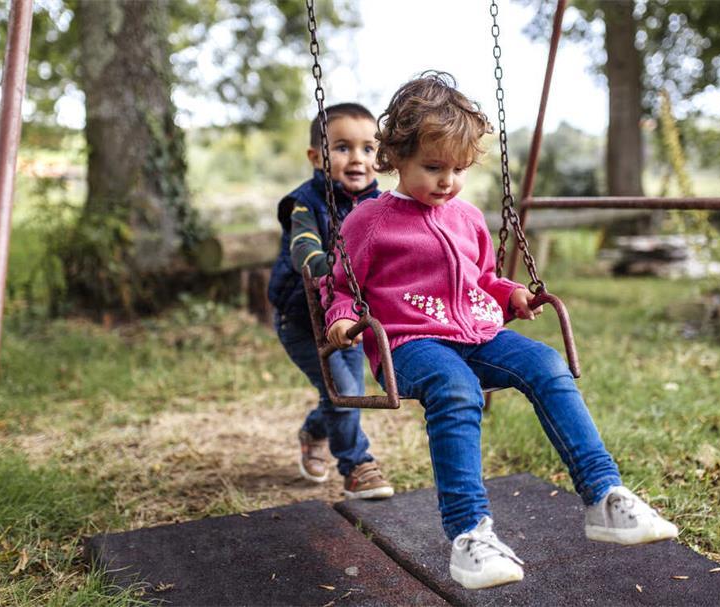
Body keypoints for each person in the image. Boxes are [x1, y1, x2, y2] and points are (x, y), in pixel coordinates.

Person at [324, 73, 678, 590]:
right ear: (396, 157)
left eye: (458, 169)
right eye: (433, 167)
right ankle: (470, 535)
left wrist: (510, 293)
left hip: (476, 333)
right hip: (408, 342)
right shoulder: (370, 220)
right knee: (456, 388)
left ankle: (605, 496)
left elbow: (482, 278)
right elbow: (340, 286)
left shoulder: (466, 217)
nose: (447, 181)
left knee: (545, 364)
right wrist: (339, 318)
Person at [267, 102, 393, 500]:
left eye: (368, 149)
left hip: (348, 321)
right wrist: (344, 270)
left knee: (346, 391)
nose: (357, 158)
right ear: (317, 157)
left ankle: (313, 431)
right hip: (302, 320)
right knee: (343, 391)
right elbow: (306, 253)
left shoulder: (381, 207)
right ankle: (357, 466)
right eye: (342, 148)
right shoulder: (305, 203)